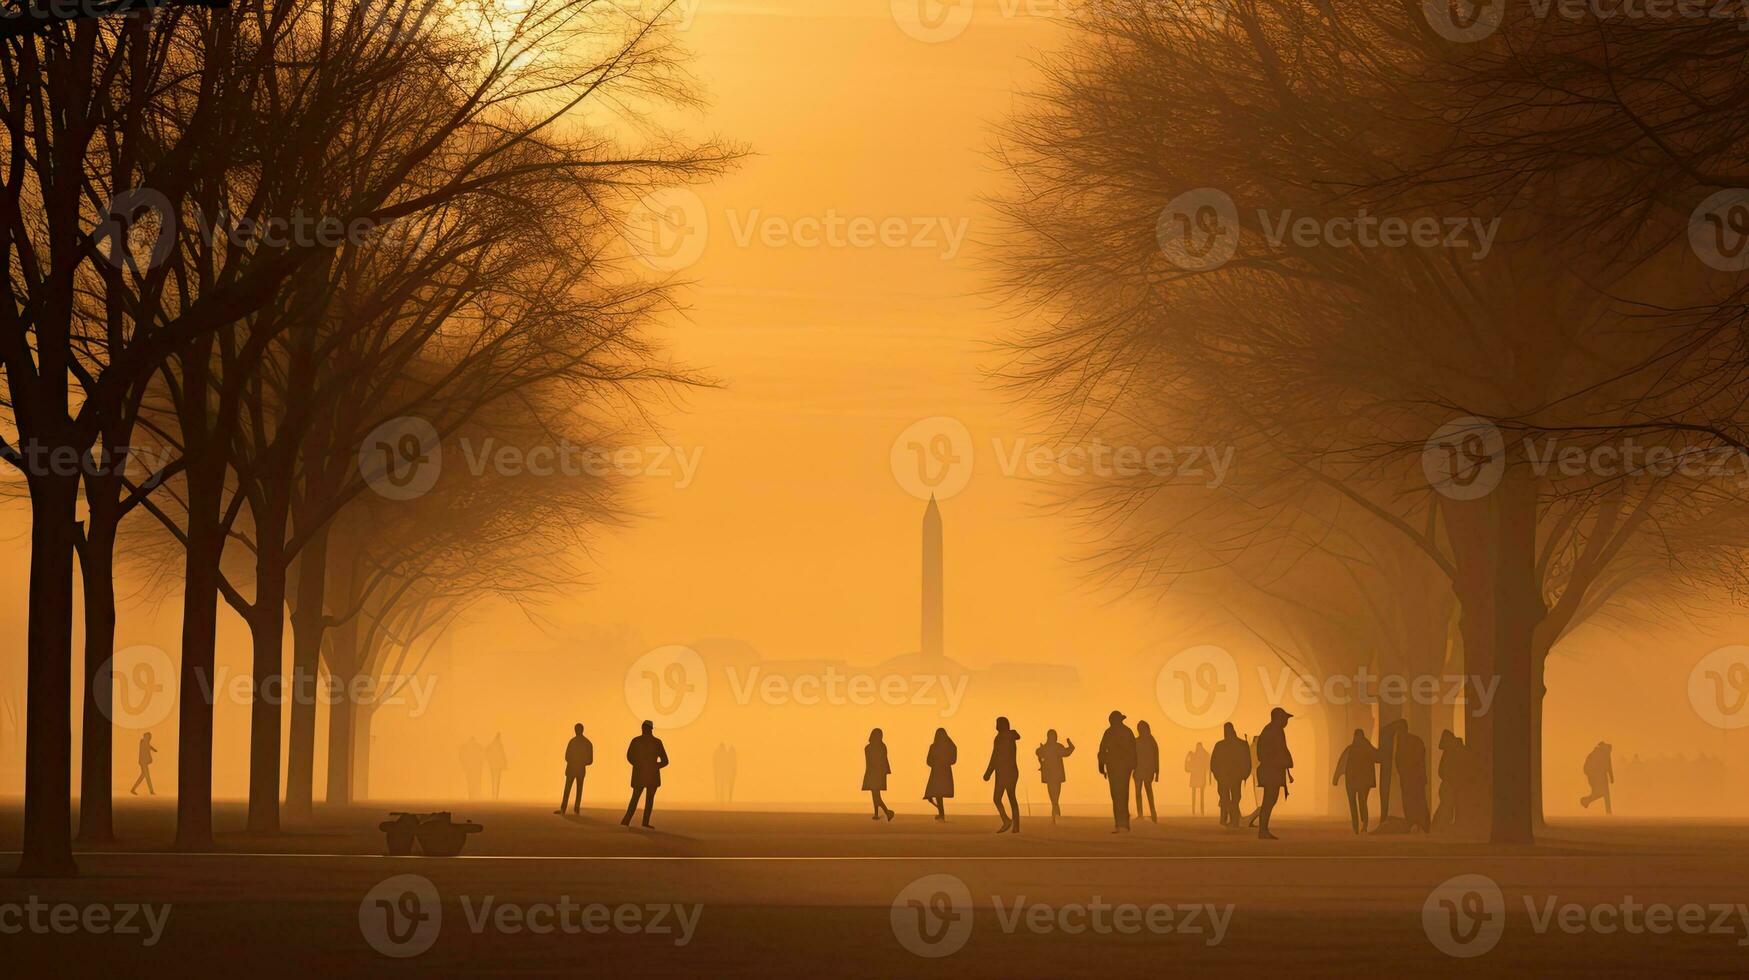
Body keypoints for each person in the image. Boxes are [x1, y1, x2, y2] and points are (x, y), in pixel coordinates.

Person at [1255, 707, 1294, 840]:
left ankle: (1263, 829)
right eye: (1284, 718)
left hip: (1270, 770)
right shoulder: (1275, 731)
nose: (1286, 721)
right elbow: (1280, 750)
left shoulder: (1269, 730)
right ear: (1278, 718)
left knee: (1270, 799)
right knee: (1269, 800)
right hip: (1272, 771)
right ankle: (1263, 830)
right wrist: (1285, 761)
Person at [622, 720, 669, 828]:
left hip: (641, 774)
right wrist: (654, 766)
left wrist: (639, 765)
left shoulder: (637, 741)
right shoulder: (656, 742)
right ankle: (642, 822)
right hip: (651, 776)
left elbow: (629, 756)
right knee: (647, 799)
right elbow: (665, 761)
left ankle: (627, 821)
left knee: (636, 798)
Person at [1387, 719, 1431, 832]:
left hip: (1408, 778)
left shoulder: (1404, 741)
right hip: (1416, 777)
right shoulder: (1416, 740)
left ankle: (1413, 823)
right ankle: (1423, 825)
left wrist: (1402, 773)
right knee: (1419, 800)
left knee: (1410, 801)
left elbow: (1400, 759)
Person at [1332, 728, 1379, 834]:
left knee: (1359, 804)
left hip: (1356, 782)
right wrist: (1336, 777)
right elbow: (1342, 763)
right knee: (1357, 804)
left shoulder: (1357, 748)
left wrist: (1336, 777)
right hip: (1356, 782)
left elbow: (1342, 763)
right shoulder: (1363, 748)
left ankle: (1361, 826)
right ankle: (1358, 827)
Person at [1096, 710, 1137, 832]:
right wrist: (1134, 766)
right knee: (1123, 794)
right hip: (1124, 768)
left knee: (1116, 795)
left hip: (1114, 768)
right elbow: (1134, 751)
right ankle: (1124, 823)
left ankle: (1119, 823)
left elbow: (1102, 750)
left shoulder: (1109, 732)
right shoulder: (1127, 731)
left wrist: (1101, 766)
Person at [983, 716, 1021, 833]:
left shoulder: (1000, 738)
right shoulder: (1011, 736)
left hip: (1003, 772)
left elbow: (995, 756)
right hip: (1012, 771)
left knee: (997, 798)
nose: (996, 725)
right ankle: (1015, 826)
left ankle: (1007, 820)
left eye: (998, 723)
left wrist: (988, 773)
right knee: (1011, 798)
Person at [1209, 723, 1251, 828]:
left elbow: (1213, 763)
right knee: (1234, 798)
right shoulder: (1242, 744)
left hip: (1224, 777)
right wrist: (1244, 774)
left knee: (1225, 798)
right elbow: (1247, 761)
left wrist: (1217, 775)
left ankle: (1225, 819)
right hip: (1235, 777)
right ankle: (1233, 820)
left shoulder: (1220, 745)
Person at [1035, 730, 1076, 823]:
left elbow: (1038, 752)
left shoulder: (1046, 747)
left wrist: (1041, 750)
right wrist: (1070, 744)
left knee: (1053, 795)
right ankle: (1056, 813)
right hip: (1056, 775)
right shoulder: (1057, 747)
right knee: (1055, 795)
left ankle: (1055, 813)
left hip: (1050, 775)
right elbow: (1067, 752)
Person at [555, 723, 593, 815]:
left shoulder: (573, 741)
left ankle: (565, 809)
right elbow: (589, 760)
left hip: (573, 768)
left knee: (569, 789)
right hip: (579, 769)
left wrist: (575, 761)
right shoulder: (587, 743)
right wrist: (581, 762)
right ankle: (575, 809)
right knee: (577, 790)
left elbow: (567, 757)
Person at [1432, 729, 1465, 828]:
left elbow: (1444, 770)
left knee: (1447, 805)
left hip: (1452, 784)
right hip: (1450, 783)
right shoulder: (1450, 751)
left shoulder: (1452, 751)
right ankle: (1441, 825)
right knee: (1448, 805)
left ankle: (1440, 825)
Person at [924, 728, 957, 821]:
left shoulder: (934, 746)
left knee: (936, 794)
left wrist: (936, 764)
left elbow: (928, 761)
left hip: (937, 772)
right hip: (943, 772)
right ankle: (941, 813)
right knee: (936, 795)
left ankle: (941, 814)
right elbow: (953, 758)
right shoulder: (948, 745)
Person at [864, 728, 896, 821]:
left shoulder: (868, 748)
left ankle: (882, 813)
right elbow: (883, 761)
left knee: (875, 795)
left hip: (873, 773)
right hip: (878, 773)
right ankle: (882, 813)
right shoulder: (881, 746)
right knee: (876, 795)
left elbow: (870, 762)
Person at [1133, 720, 1160, 822]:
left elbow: (1156, 757)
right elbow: (1132, 756)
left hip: (1146, 771)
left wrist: (1157, 772)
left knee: (1147, 792)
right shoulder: (1137, 741)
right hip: (1139, 770)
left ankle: (1153, 814)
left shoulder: (1150, 741)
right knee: (1139, 793)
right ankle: (1142, 814)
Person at [1580, 740, 1614, 814]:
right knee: (1604, 794)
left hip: (1595, 777)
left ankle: (1586, 801)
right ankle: (1585, 800)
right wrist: (1611, 777)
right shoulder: (1605, 753)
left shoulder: (1592, 754)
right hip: (1601, 777)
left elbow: (1585, 768)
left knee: (1602, 793)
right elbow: (1609, 766)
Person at [1185, 741, 1211, 816]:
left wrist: (1188, 755)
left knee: (1197, 795)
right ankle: (1198, 810)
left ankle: (1196, 810)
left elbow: (1188, 763)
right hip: (1199, 776)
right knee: (1199, 794)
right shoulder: (1201, 755)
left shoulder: (1195, 755)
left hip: (1196, 776)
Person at [486, 732, 508, 800]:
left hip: (493, 765)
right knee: (497, 780)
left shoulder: (491, 746)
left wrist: (490, 762)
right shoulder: (499, 745)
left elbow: (488, 754)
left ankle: (493, 794)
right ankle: (496, 795)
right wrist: (504, 764)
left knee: (493, 779)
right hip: (497, 766)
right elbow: (502, 755)